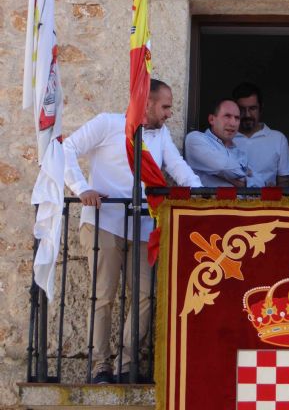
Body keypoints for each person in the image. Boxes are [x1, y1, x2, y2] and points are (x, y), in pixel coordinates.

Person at [63, 79, 202, 384]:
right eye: (165, 106)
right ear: (147, 102)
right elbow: (66, 149)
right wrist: (82, 188)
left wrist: (208, 199)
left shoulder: (161, 135)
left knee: (145, 296)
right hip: (104, 222)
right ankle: (100, 365)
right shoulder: (109, 123)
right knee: (103, 295)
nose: (169, 114)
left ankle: (127, 363)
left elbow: (180, 171)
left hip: (142, 226)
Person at [185, 98, 265, 187]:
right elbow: (222, 167)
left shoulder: (239, 153)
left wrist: (227, 175)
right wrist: (246, 172)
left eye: (237, 118)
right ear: (211, 119)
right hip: (209, 201)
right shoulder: (195, 139)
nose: (233, 123)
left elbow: (261, 183)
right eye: (227, 116)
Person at [232, 82, 289, 187]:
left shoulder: (278, 139)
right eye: (242, 109)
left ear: (261, 108)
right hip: (229, 203)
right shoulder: (224, 138)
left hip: (267, 203)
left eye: (252, 108)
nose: (247, 114)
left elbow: (284, 183)